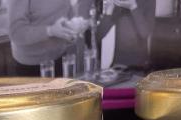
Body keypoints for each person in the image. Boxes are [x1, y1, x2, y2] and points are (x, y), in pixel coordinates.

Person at [9, 0, 139, 76]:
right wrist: (50, 30)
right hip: (31, 67)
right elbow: (16, 33)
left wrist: (73, 29)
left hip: (59, 59)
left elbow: (66, 21)